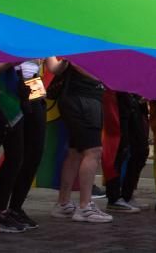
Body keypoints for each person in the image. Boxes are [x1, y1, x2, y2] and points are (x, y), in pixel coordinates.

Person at [0, 58, 52, 231]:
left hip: (34, 83)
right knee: (16, 153)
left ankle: (15, 207)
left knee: (36, 152)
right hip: (13, 82)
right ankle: (0, 210)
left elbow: (54, 65)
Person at [50, 58, 112, 223]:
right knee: (93, 151)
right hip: (82, 99)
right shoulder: (80, 39)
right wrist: (102, 77)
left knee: (76, 152)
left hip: (80, 98)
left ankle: (63, 203)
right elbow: (75, 62)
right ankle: (85, 206)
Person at [103, 90, 149, 213]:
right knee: (118, 149)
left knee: (141, 150)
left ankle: (126, 196)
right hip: (116, 99)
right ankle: (114, 198)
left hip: (132, 100)